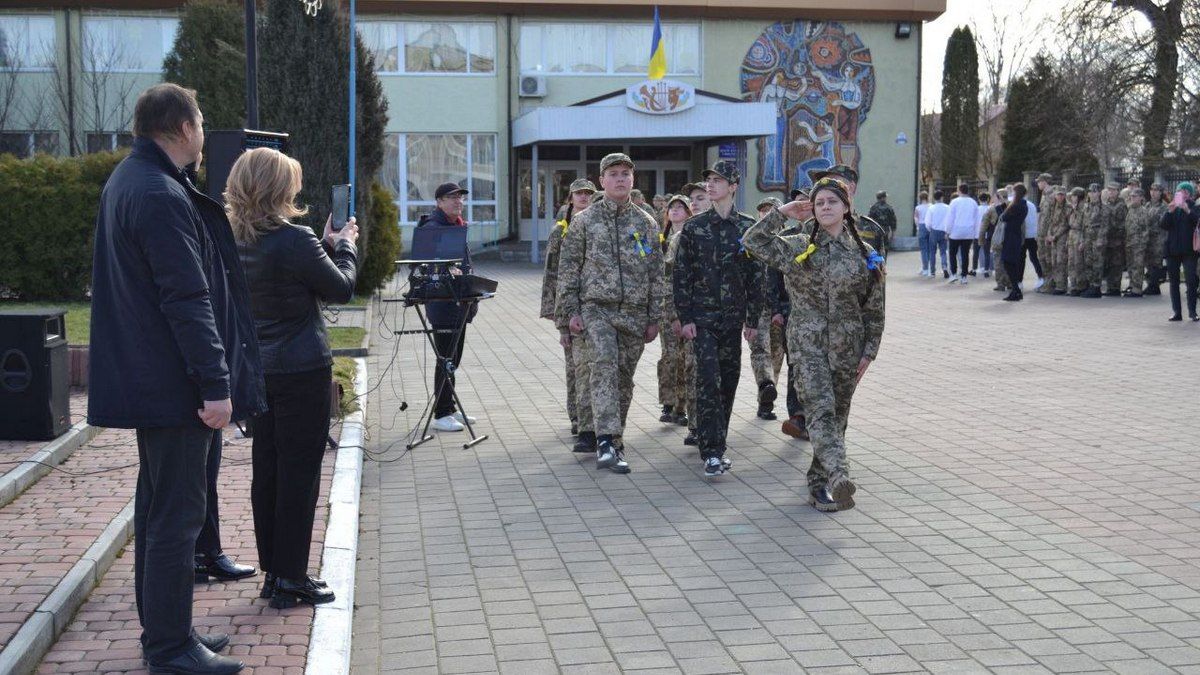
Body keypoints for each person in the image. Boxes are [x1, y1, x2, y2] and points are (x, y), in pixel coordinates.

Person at [89, 83, 261, 675]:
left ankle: (168, 629)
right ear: (184, 128)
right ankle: (169, 646)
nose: (206, 132)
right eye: (203, 120)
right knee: (177, 517)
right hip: (175, 388)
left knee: (161, 509)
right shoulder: (160, 193)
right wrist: (216, 387)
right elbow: (187, 299)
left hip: (154, 381)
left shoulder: (131, 180)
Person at [227, 147, 354, 610]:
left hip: (258, 369)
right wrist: (345, 244)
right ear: (280, 189)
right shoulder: (294, 239)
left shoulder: (232, 236)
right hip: (301, 369)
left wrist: (321, 243)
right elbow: (341, 288)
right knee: (299, 474)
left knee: (269, 469)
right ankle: (291, 578)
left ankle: (274, 572)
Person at [743, 176, 885, 511]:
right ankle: (839, 475)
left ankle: (819, 484)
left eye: (831, 201)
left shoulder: (865, 254)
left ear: (846, 206)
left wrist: (870, 350)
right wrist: (784, 212)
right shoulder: (797, 245)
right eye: (818, 202)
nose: (824, 207)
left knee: (838, 417)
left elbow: (875, 307)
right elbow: (752, 241)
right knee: (820, 409)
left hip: (847, 347)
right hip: (807, 345)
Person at [558, 153, 665, 473]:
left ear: (633, 180)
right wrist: (569, 311)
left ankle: (612, 438)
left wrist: (654, 316)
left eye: (626, 174)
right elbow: (568, 269)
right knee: (603, 365)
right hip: (596, 309)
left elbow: (656, 271)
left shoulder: (645, 223)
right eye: (613, 174)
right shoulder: (584, 221)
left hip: (633, 313)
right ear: (601, 181)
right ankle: (606, 440)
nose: (620, 179)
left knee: (622, 379)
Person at [673, 161, 763, 477]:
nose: (711, 185)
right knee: (708, 379)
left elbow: (756, 277)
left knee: (729, 380)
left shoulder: (747, 227)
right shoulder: (695, 228)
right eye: (709, 179)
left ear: (734, 186)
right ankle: (711, 450)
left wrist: (753, 319)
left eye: (718, 180)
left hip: (733, 320)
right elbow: (681, 275)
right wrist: (684, 316)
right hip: (702, 318)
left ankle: (718, 442)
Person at [417, 182, 478, 432]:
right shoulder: (433, 228)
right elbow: (426, 265)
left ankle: (450, 407)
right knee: (445, 360)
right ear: (439, 202)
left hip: (460, 304)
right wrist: (444, 271)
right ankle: (441, 413)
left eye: (460, 198)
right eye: (452, 198)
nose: (458, 202)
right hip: (443, 305)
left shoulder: (457, 226)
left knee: (453, 360)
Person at [542, 179, 597, 442]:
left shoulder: (597, 224)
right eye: (579, 194)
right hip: (570, 308)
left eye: (589, 193)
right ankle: (577, 417)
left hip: (595, 307)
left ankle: (594, 417)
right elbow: (553, 274)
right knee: (575, 367)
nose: (584, 197)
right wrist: (559, 318)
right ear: (571, 198)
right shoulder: (560, 230)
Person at [657, 193, 693, 426]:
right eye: (672, 207)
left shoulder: (692, 237)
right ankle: (668, 403)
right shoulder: (659, 239)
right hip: (666, 307)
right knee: (670, 356)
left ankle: (683, 406)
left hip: (688, 307)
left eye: (681, 207)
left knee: (686, 359)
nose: (676, 210)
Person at [750, 197, 786, 421]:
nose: (765, 214)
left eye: (771, 211)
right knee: (760, 350)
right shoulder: (752, 241)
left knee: (777, 355)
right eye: (762, 211)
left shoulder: (787, 242)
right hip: (757, 307)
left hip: (779, 309)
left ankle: (766, 402)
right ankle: (765, 384)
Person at [1159, 181, 1200, 321]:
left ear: (1190, 194)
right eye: (1180, 191)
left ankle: (1193, 312)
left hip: (1189, 250)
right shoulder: (1172, 207)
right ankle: (1177, 312)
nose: (1183, 193)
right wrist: (1169, 211)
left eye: (1185, 191)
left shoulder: (1195, 207)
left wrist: (1187, 210)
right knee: (1174, 282)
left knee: (1191, 281)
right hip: (1172, 250)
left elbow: (1197, 222)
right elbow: (1163, 225)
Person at [1000, 184, 1031, 301]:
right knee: (1012, 263)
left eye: (1013, 192)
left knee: (1008, 263)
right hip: (1015, 236)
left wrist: (1003, 205)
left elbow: (1003, 217)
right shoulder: (1023, 205)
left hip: (1011, 237)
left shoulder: (1016, 205)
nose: (1011, 194)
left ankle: (1016, 291)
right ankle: (1016, 290)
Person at [1099, 182, 1129, 297]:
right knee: (1109, 264)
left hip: (1117, 239)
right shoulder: (1106, 204)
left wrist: (1118, 232)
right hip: (1108, 239)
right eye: (1109, 190)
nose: (1111, 192)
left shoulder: (1121, 205)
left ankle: (1115, 288)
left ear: (1118, 191)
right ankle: (1111, 286)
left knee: (1117, 264)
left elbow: (1124, 223)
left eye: (1113, 190)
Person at [1122, 188, 1154, 297]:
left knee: (1138, 266)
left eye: (1135, 196)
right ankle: (1132, 285)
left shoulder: (1143, 211)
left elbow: (1146, 229)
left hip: (1138, 244)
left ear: (1141, 198)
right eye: (1131, 196)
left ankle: (1137, 288)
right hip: (1129, 242)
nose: (1132, 198)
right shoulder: (1130, 210)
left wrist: (1142, 244)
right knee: (1130, 265)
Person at [945, 183, 978, 284]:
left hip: (956, 231)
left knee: (952, 253)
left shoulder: (954, 202)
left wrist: (947, 231)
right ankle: (964, 276)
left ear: (959, 190)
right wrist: (974, 232)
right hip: (968, 232)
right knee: (965, 254)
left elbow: (950, 218)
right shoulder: (973, 202)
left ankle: (954, 274)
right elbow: (976, 218)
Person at [1078, 184, 1105, 298]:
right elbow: (1083, 225)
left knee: (1097, 264)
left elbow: (1105, 225)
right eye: (1090, 192)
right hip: (1087, 238)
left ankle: (1096, 286)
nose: (1093, 194)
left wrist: (1100, 239)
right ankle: (1091, 286)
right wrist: (1082, 240)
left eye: (1095, 192)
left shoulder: (1104, 207)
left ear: (1099, 193)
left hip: (1097, 239)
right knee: (1088, 262)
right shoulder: (1086, 207)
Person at [1044, 186, 1070, 295]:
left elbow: (1065, 224)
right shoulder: (1054, 206)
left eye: (1061, 195)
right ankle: (1055, 283)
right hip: (1053, 236)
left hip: (1062, 237)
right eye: (1058, 195)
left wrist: (1055, 235)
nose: (1059, 197)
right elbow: (1051, 221)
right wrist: (1049, 234)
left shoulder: (1067, 207)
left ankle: (1062, 285)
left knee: (1061, 261)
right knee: (1053, 260)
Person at [1144, 183, 1169, 295]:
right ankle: (1151, 284)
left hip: (1158, 239)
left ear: (1161, 193)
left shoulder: (1164, 207)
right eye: (1152, 190)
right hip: (1148, 238)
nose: (1153, 192)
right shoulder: (1147, 205)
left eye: (1157, 190)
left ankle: (1154, 285)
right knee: (1148, 262)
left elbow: (1163, 224)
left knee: (1156, 263)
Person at [1066, 187, 1089, 295]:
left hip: (1079, 235)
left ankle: (1081, 285)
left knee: (1079, 262)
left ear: (1079, 197)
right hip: (1072, 235)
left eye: (1074, 196)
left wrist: (1083, 241)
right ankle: (1074, 285)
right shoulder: (1073, 208)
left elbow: (1085, 226)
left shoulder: (1084, 209)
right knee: (1071, 262)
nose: (1072, 198)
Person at [1035, 174, 1056, 292]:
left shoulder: (1052, 195)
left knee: (1048, 258)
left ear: (1045, 182)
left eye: (1039, 181)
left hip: (1047, 232)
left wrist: (1049, 232)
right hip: (1041, 232)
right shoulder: (1044, 195)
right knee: (1042, 257)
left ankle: (1050, 283)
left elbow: (1053, 215)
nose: (1038, 184)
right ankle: (1047, 281)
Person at [1021, 188, 1045, 290]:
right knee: (1034, 257)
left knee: (1021, 259)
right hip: (1032, 235)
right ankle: (1041, 277)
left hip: (1023, 235)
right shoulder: (1031, 205)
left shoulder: (1020, 204)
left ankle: (1019, 281)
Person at [926, 190, 950, 277]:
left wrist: (930, 229)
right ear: (942, 197)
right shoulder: (947, 207)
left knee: (932, 252)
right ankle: (944, 267)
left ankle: (932, 271)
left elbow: (927, 222)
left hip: (934, 231)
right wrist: (948, 231)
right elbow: (949, 220)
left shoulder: (931, 208)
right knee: (943, 251)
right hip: (944, 231)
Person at [867, 190, 897, 256]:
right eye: (885, 197)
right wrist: (893, 233)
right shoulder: (889, 208)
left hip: (875, 231)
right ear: (883, 198)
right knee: (884, 248)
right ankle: (883, 263)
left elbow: (869, 220)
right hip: (885, 231)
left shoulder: (873, 207)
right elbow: (893, 221)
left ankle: (876, 264)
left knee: (874, 248)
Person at [975, 192, 994, 277]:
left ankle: (974, 269)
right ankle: (987, 270)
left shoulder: (976, 209)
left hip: (977, 233)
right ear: (988, 199)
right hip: (987, 233)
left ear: (979, 199)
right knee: (987, 252)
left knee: (976, 252)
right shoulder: (990, 208)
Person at [915, 191, 932, 276]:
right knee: (930, 248)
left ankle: (925, 268)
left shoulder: (918, 207)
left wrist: (918, 227)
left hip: (922, 226)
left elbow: (916, 218)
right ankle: (929, 267)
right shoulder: (931, 206)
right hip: (930, 227)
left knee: (923, 249)